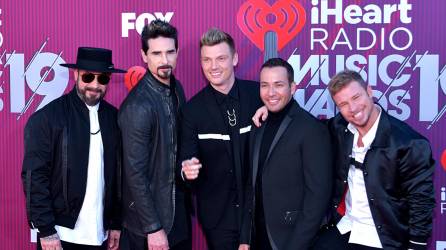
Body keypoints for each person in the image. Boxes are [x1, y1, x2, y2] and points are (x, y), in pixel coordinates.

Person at [312, 70, 435, 249]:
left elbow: (421, 201)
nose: (353, 109)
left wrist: (415, 246)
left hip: (385, 237)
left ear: (369, 91)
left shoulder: (409, 143)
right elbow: (308, 127)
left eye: (356, 97)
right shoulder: (339, 127)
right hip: (346, 226)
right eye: (343, 104)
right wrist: (272, 112)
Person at [22, 47, 125, 250]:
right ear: (76, 74)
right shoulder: (48, 119)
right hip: (60, 235)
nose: (95, 85)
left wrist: (115, 223)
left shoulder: (115, 118)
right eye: (88, 77)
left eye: (102, 79)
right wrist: (46, 231)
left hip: (100, 237)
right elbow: (35, 178)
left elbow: (118, 177)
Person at [179, 28, 262, 249]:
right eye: (206, 59)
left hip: (261, 213)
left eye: (221, 58)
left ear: (234, 58)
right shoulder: (191, 110)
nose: (213, 66)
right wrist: (187, 170)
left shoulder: (259, 96)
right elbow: (187, 161)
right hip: (218, 219)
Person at [239, 58, 332, 250]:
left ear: (293, 87)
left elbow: (318, 197)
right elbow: (252, 184)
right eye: (265, 85)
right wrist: (245, 238)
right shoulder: (258, 124)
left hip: (293, 240)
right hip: (258, 239)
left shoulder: (311, 128)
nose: (270, 93)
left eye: (278, 85)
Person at [118, 20, 190, 250]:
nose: (165, 60)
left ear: (177, 51)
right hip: (149, 225)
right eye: (156, 53)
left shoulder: (176, 89)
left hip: (176, 213)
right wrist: (153, 227)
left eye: (170, 52)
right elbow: (134, 174)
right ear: (144, 55)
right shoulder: (138, 105)